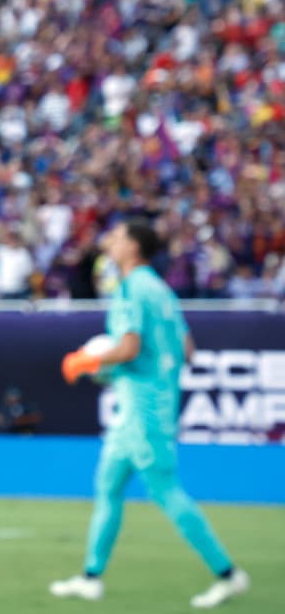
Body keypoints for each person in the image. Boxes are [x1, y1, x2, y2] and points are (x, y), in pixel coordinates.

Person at [52, 218, 250, 608]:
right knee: (108, 486)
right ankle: (91, 577)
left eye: (118, 235)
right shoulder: (161, 290)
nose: (111, 239)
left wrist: (86, 362)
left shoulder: (131, 289)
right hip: (142, 408)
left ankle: (228, 574)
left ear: (133, 248)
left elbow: (127, 347)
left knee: (165, 490)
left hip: (143, 413)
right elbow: (187, 350)